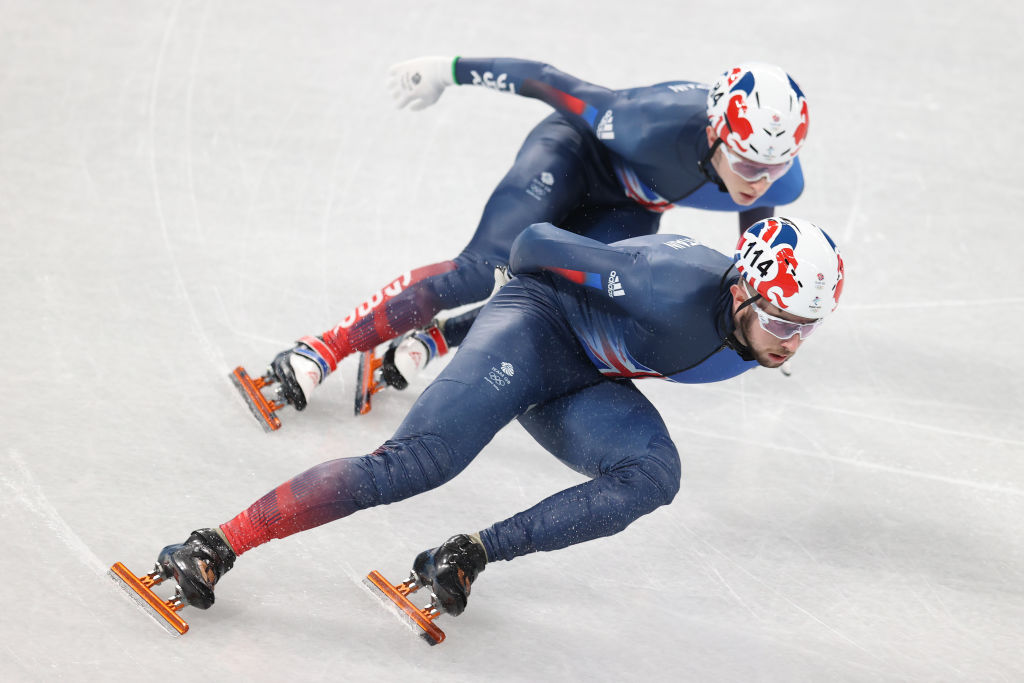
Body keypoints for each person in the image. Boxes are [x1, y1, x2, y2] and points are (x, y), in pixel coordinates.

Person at [157, 216, 844, 622]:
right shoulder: (666, 287)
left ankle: (469, 552)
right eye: (783, 318)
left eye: (807, 327)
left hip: (583, 376)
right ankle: (216, 542)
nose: (790, 340)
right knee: (416, 466)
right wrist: (449, 332)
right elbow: (535, 247)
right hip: (531, 332)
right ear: (744, 287)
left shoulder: (753, 329)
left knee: (654, 474)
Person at [260, 56, 811, 415]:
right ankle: (323, 348)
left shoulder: (774, 174)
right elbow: (550, 82)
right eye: (746, 163)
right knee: (482, 268)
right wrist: (448, 70)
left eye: (776, 167)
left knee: (574, 297)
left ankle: (437, 338)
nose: (759, 180)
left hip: (634, 203)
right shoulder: (647, 121)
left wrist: (766, 309)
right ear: (715, 133)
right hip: (573, 153)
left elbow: (759, 236)